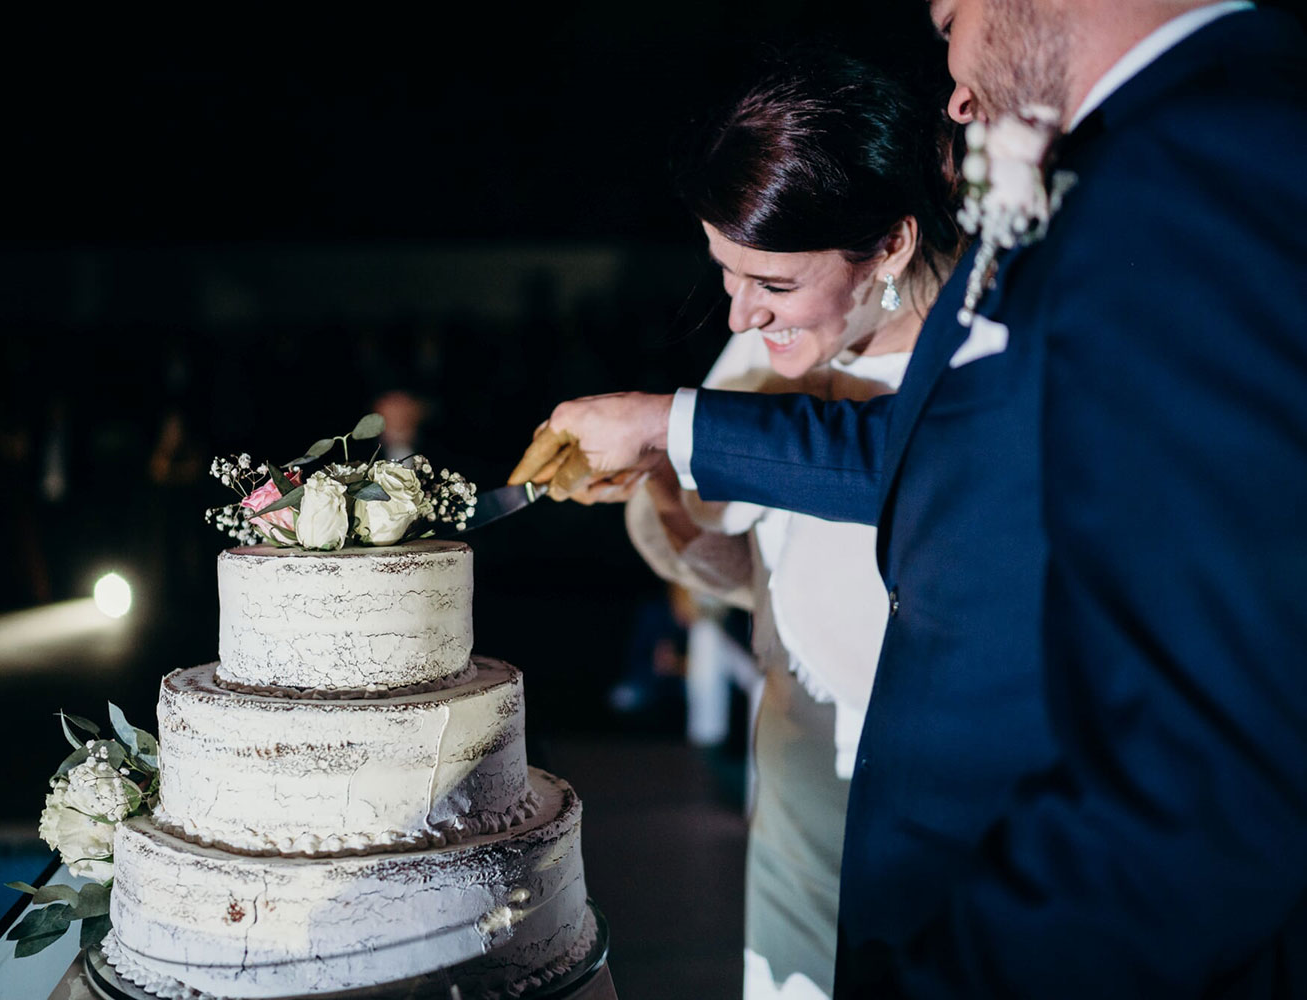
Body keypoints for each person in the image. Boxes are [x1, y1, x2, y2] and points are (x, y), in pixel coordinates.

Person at [510, 2, 1307, 995]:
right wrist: (671, 438)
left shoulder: (1195, 163)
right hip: (859, 828)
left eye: (950, 17)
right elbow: (923, 460)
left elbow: (1212, 758)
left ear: (887, 248)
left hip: (1024, 879)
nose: (958, 85)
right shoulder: (1100, 182)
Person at [607, 53, 958, 999]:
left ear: (888, 245)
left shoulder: (982, 365)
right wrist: (668, 489)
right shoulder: (759, 346)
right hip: (799, 775)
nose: (740, 310)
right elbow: (737, 572)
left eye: (771, 280)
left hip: (951, 802)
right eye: (725, 272)